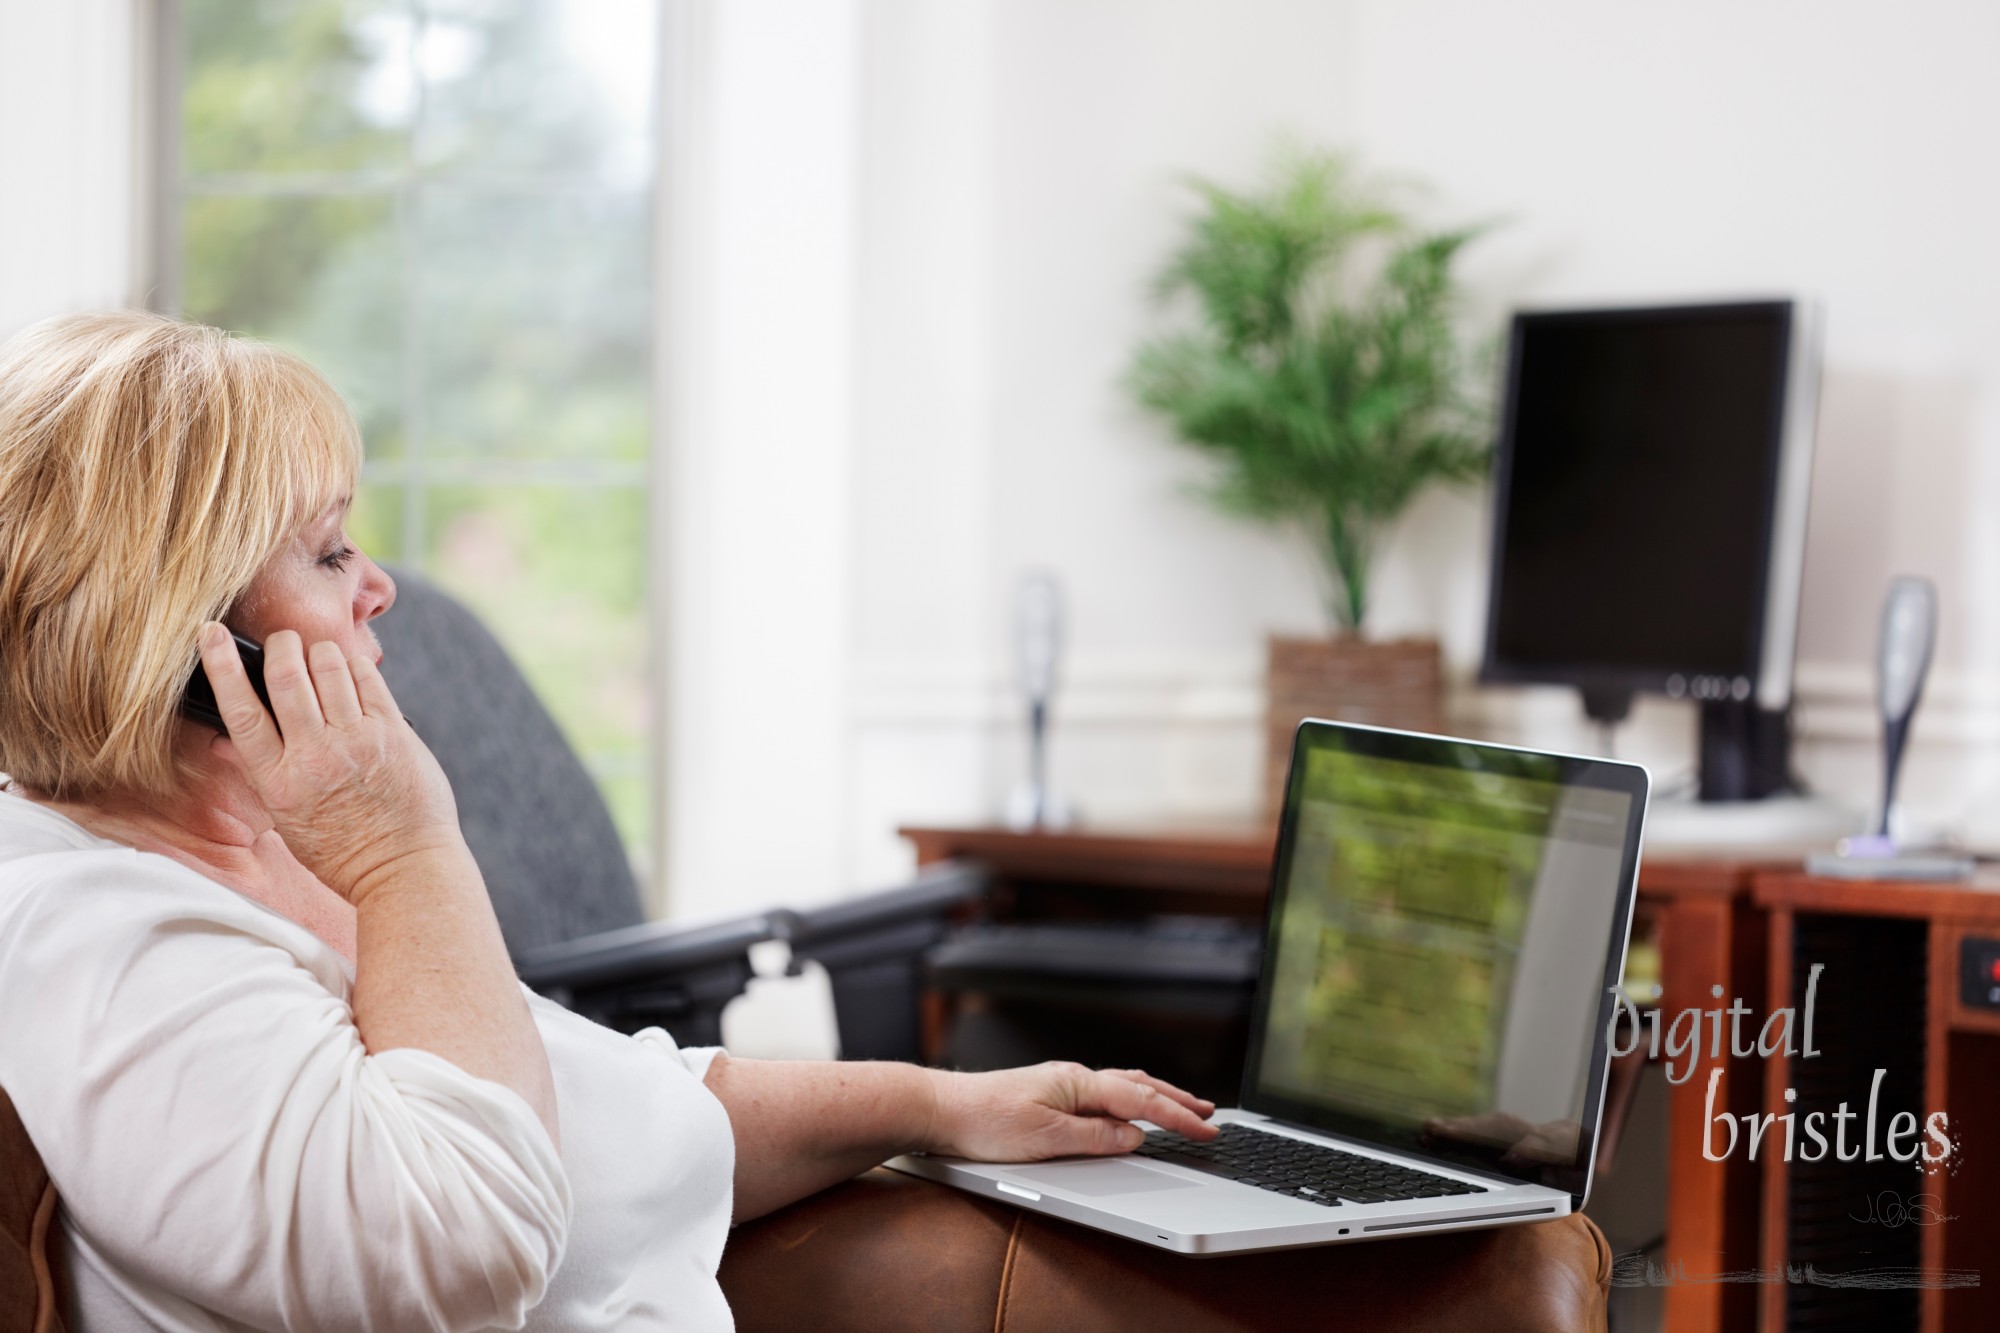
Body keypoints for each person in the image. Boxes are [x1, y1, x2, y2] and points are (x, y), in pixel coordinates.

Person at [0, 310, 1219, 1332]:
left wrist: (938, 1102)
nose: (381, 587)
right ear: (179, 642)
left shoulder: (256, 862)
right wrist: (407, 851)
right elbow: (469, 1235)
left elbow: (602, 1108)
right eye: (327, 553)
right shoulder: (96, 940)